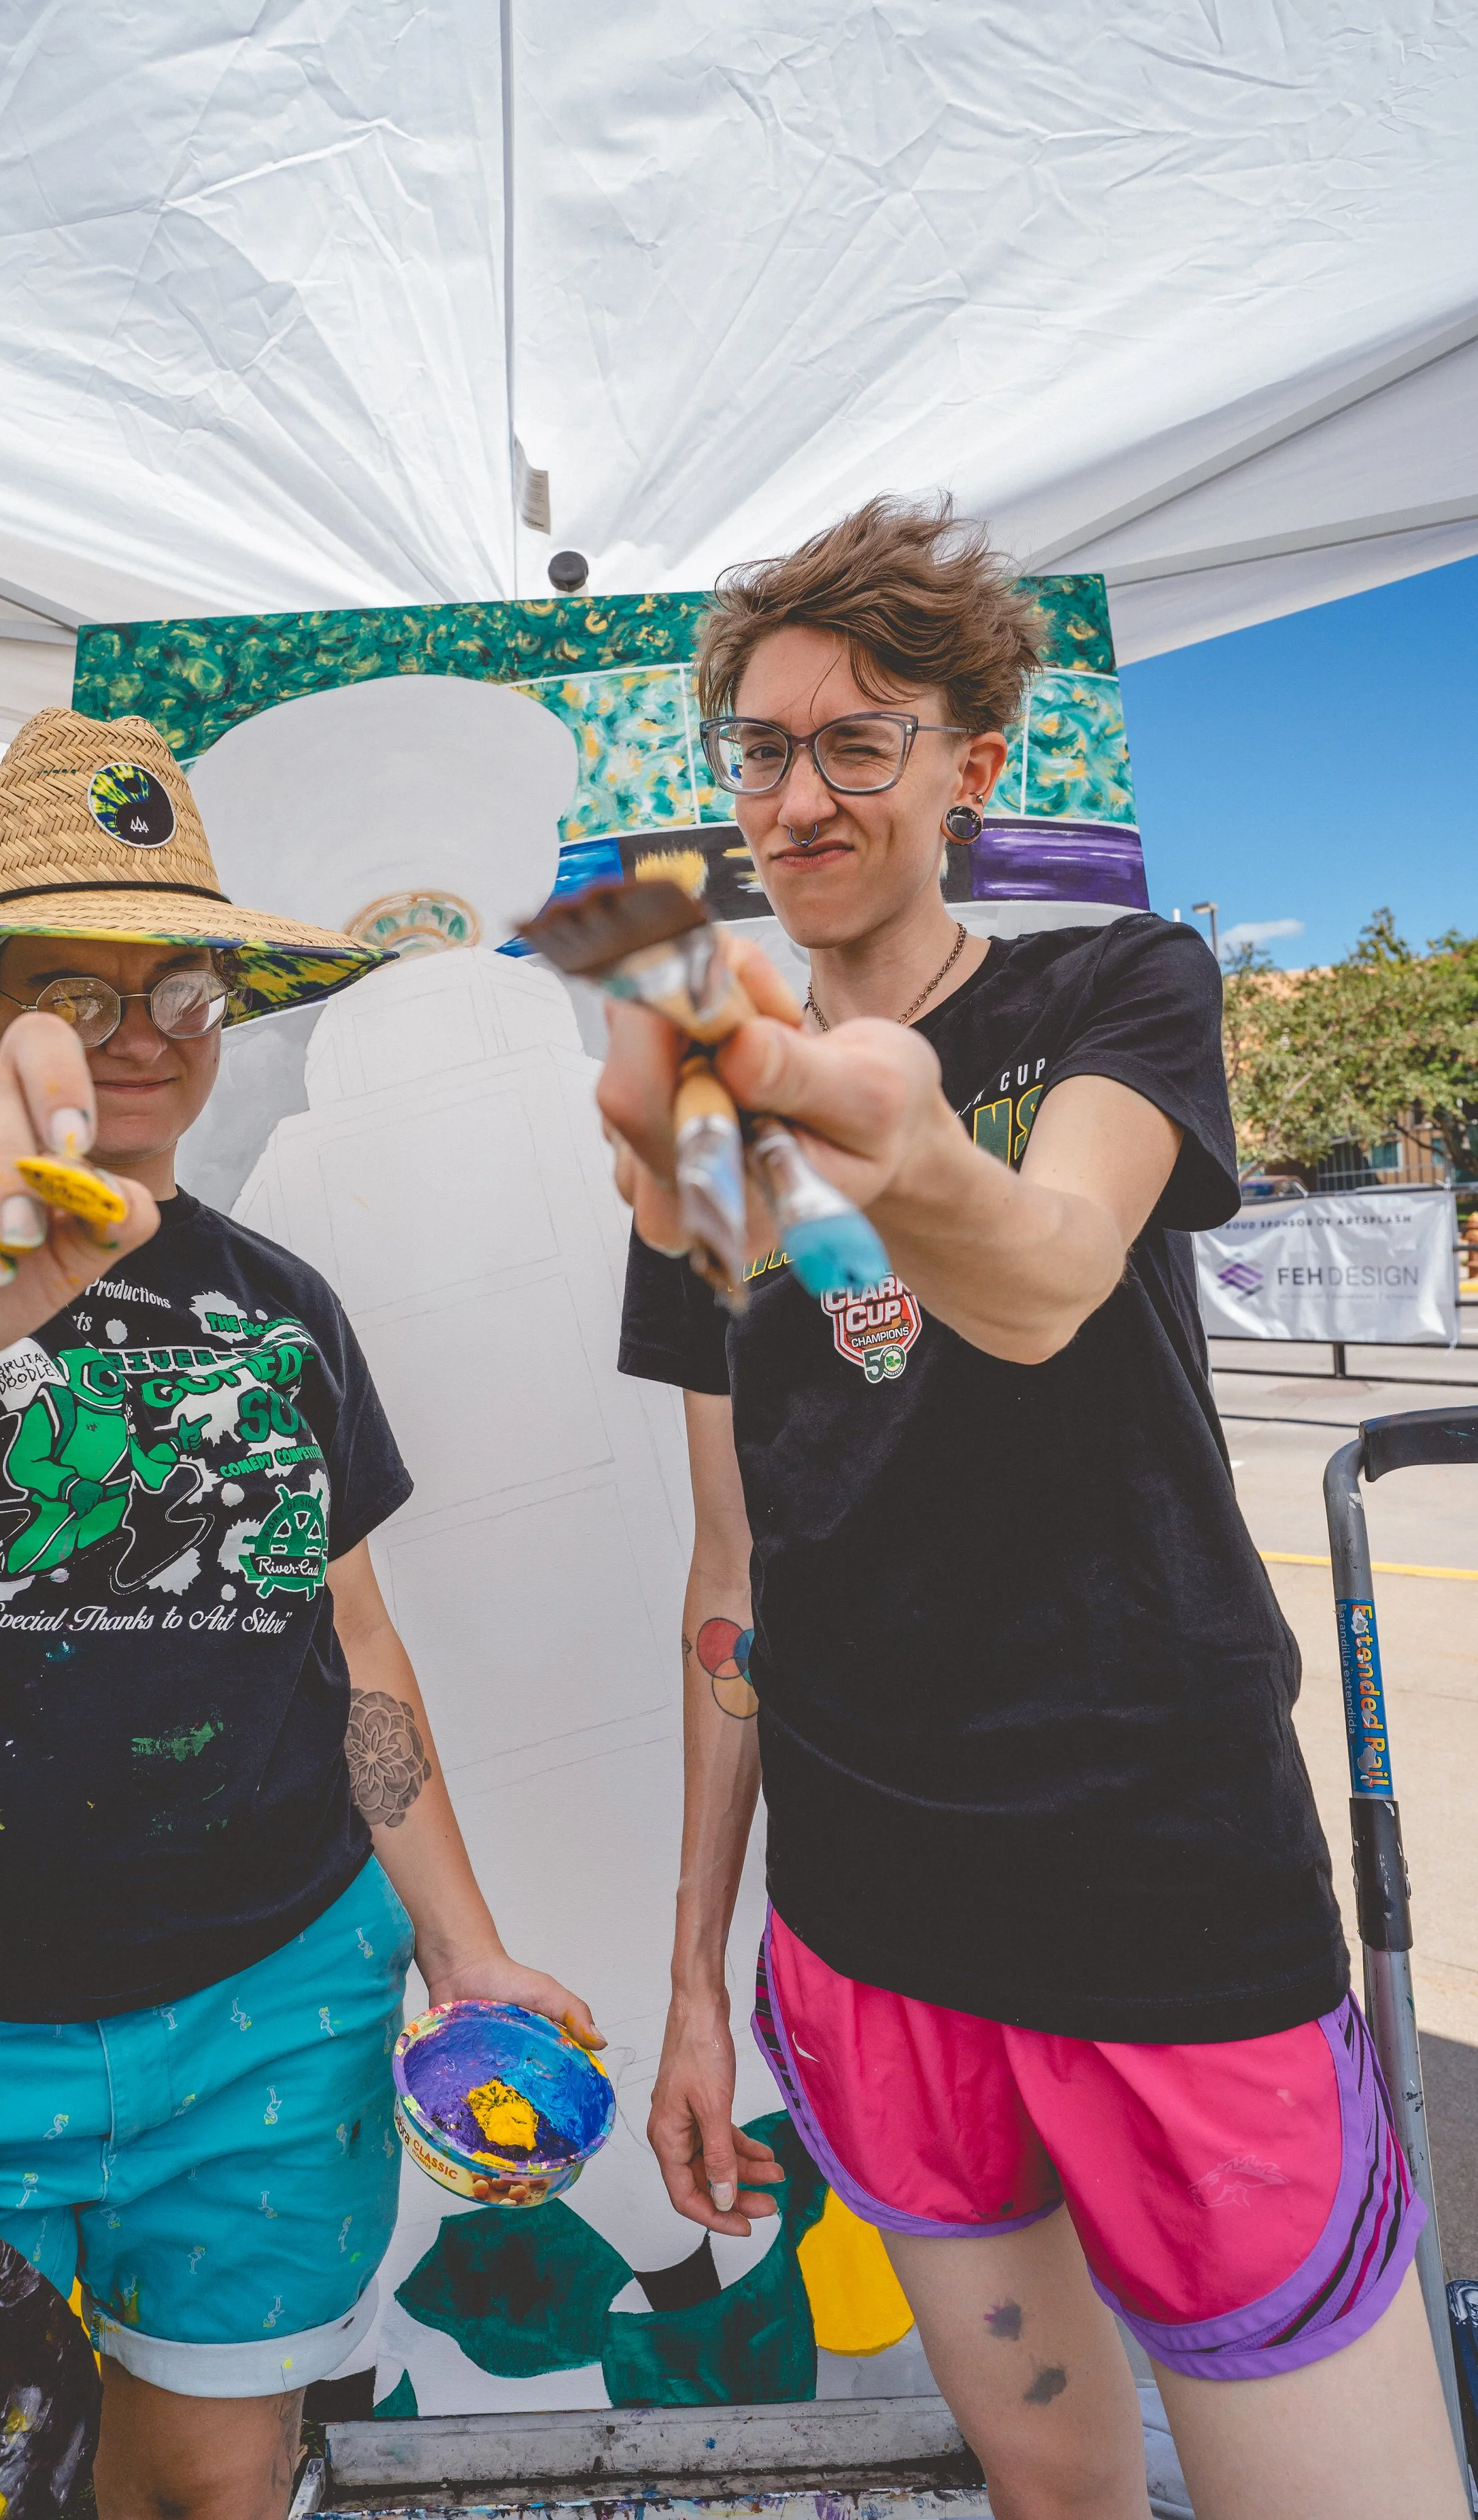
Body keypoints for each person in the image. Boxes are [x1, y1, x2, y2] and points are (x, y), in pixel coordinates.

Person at [601, 500, 1465, 2519]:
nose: (793, 793)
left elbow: (1048, 1269)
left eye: (856, 740)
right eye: (757, 746)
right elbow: (730, 1580)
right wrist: (685, 1978)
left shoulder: (1111, 990)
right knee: (1050, 2488)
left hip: (1161, 1894)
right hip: (869, 1913)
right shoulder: (711, 1109)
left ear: (969, 766)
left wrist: (900, 1140)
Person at [0, 709, 597, 2520]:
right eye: (85, 989)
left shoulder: (285, 1307)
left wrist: (461, 1951)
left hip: (264, 2006)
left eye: (184, 991)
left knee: (210, 2490)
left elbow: (357, 1652)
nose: (145, 1036)